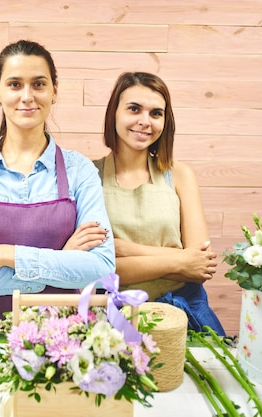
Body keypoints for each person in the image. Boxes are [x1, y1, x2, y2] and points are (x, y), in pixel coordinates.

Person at [0, 40, 115, 332]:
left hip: (62, 340)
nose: (27, 96)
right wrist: (62, 263)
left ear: (54, 91)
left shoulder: (79, 171)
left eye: (38, 84)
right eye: (14, 84)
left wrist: (4, 254)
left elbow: (101, 268)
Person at [93, 72, 226, 335]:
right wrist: (180, 260)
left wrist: (123, 248)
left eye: (156, 113)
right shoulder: (87, 176)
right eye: (134, 109)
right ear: (114, 113)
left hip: (184, 313)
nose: (145, 121)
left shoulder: (180, 175)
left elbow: (200, 266)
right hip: (115, 318)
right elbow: (97, 269)